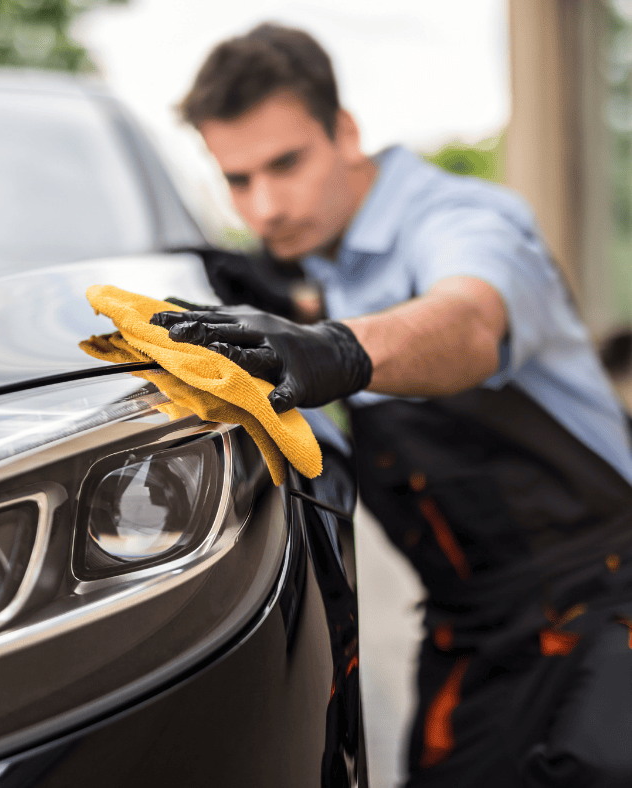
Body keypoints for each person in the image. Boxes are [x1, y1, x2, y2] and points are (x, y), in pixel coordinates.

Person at [151, 23, 632, 788]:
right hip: (473, 632)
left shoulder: (461, 219)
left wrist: (337, 349)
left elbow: (468, 321)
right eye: (239, 180)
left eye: (286, 164)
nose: (266, 207)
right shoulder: (323, 263)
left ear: (345, 131)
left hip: (607, 600)